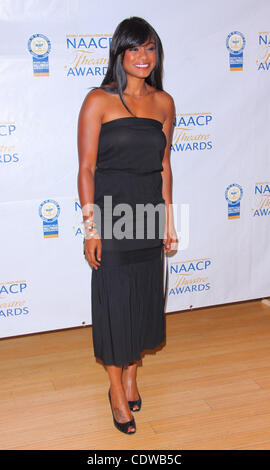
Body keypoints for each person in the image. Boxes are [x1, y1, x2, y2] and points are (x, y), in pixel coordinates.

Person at [77, 16, 178, 435]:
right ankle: (116, 389)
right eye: (134, 48)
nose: (143, 57)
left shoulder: (165, 103)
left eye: (150, 48)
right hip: (111, 216)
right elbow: (85, 169)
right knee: (115, 305)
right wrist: (90, 228)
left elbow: (164, 165)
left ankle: (133, 375)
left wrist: (169, 218)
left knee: (143, 303)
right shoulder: (98, 101)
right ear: (119, 53)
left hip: (149, 216)